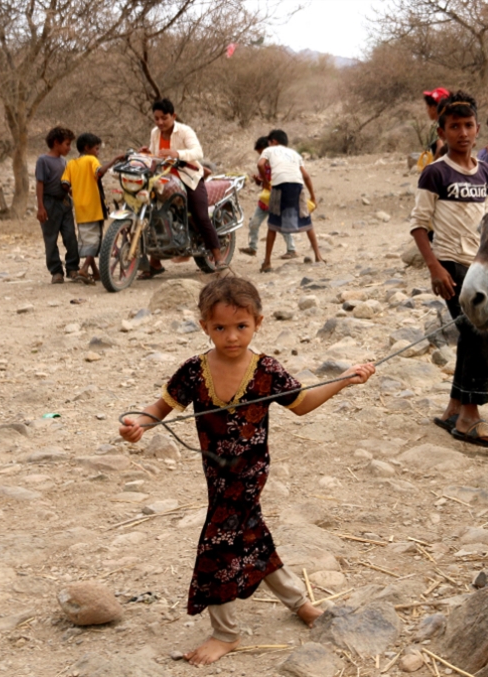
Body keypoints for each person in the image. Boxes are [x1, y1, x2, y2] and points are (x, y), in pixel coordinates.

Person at [118, 276, 375, 666]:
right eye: (220, 327)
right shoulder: (193, 371)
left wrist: (343, 381)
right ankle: (300, 603)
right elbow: (159, 409)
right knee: (251, 534)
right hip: (217, 476)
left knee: (218, 543)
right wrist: (138, 425)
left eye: (241, 326)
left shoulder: (267, 370)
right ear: (204, 326)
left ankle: (226, 632)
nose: (232, 336)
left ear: (258, 322)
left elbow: (302, 403)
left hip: (250, 474)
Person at [409, 91, 488, 449]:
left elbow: (484, 219)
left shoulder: (484, 171)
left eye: (468, 125)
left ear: (478, 129)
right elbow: (419, 225)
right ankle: (470, 417)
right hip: (450, 265)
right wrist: (435, 267)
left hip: (478, 264)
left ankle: (454, 408)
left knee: (471, 332)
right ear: (443, 131)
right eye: (454, 126)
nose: (462, 133)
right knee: (480, 332)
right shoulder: (434, 173)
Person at [139, 98, 226, 280]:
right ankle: (155, 262)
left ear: (174, 116)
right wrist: (148, 154)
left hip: (188, 178)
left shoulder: (184, 131)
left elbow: (197, 152)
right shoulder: (155, 133)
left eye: (164, 118)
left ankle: (218, 258)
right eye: (156, 118)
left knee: (200, 215)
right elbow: (157, 155)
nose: (160, 122)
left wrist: (177, 154)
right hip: (164, 179)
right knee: (155, 213)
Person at [257, 129, 323, 273]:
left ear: (273, 141)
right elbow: (306, 176)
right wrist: (313, 196)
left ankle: (267, 262)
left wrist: (266, 182)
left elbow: (261, 165)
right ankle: (318, 256)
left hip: (279, 185)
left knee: (273, 224)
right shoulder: (295, 154)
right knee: (306, 219)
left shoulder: (269, 150)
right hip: (297, 185)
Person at [61, 133, 123, 284]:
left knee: (88, 240)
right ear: (87, 148)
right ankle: (84, 268)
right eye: (97, 148)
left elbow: (64, 184)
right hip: (93, 207)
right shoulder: (91, 159)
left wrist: (75, 192)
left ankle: (95, 273)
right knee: (95, 241)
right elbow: (99, 172)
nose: (98, 152)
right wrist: (114, 160)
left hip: (80, 209)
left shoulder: (71, 163)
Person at [241, 137, 297, 259]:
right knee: (254, 223)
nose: (261, 156)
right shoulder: (263, 165)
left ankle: (292, 249)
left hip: (277, 198)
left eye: (262, 153)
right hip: (264, 199)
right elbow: (263, 182)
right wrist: (258, 180)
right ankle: (252, 248)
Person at [36, 126, 78, 284]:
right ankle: (56, 271)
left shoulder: (64, 161)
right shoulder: (43, 161)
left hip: (64, 202)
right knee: (50, 238)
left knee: (70, 236)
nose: (69, 148)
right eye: (67, 144)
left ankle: (72, 268)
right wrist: (41, 207)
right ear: (56, 143)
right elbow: (40, 184)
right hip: (49, 203)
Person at [418, 87, 450, 171]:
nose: (427, 110)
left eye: (427, 107)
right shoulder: (451, 123)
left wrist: (432, 167)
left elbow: (440, 147)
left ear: (433, 109)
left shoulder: (438, 125)